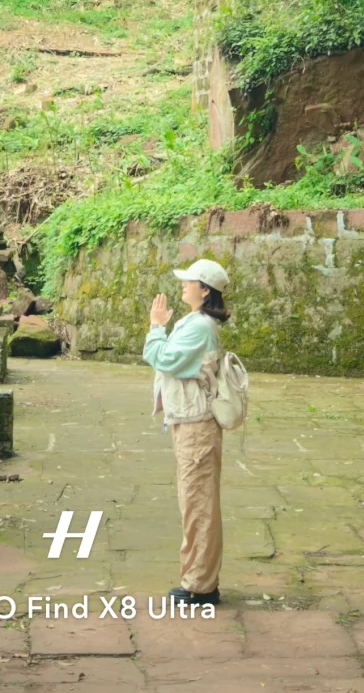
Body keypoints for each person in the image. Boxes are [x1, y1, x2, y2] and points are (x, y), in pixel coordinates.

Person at [142, 257, 230, 606]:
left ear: (204, 290)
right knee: (195, 501)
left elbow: (162, 358)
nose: (183, 285)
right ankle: (200, 578)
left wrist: (155, 327)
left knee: (198, 503)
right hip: (189, 421)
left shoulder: (197, 327)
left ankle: (200, 585)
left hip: (196, 425)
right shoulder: (196, 321)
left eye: (189, 281)